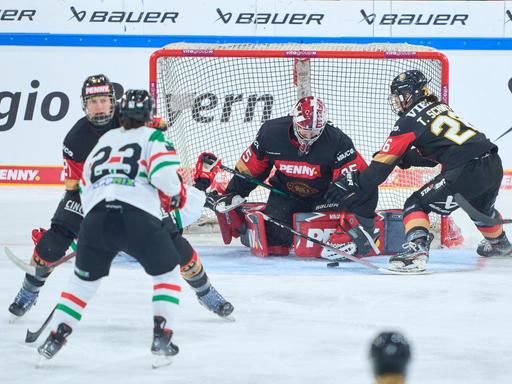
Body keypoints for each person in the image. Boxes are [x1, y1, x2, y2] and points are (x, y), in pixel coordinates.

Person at [8, 74, 233, 320]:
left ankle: (205, 292)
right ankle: (28, 291)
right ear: (85, 104)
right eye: (93, 102)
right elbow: (74, 187)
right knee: (55, 237)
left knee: (174, 243)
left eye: (104, 100)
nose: (99, 106)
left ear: (113, 102)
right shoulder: (75, 140)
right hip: (93, 193)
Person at [38, 89, 187, 363]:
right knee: (167, 273)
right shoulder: (153, 137)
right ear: (148, 115)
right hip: (137, 218)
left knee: (82, 284)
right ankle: (161, 337)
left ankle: (55, 338)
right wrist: (175, 195)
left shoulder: (105, 140)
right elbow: (167, 180)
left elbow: (84, 186)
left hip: (95, 220)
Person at [325, 69, 511, 272]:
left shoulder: (408, 121)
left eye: (400, 96)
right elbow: (433, 156)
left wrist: (356, 181)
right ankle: (499, 244)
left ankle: (416, 251)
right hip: (492, 164)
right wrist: (405, 158)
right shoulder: (439, 106)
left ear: (412, 94)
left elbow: (378, 171)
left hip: (465, 169)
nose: (397, 101)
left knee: (415, 204)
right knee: (482, 209)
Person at [203, 95, 379, 258]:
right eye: (304, 130)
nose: (309, 136)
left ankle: (358, 230)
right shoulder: (271, 133)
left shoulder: (337, 140)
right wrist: (234, 192)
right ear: (295, 121)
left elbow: (359, 177)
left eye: (315, 132)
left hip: (323, 197)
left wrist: (342, 189)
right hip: (286, 194)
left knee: (328, 233)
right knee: (276, 240)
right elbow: (251, 168)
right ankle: (247, 217)